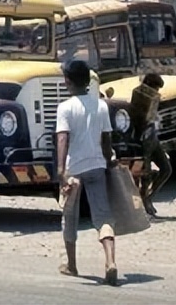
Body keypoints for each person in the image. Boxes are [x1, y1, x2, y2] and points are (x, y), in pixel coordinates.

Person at [56, 60, 118, 285]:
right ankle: (110, 261)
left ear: (68, 81)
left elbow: (63, 138)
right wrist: (109, 159)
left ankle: (72, 266)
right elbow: (107, 140)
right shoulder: (101, 105)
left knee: (69, 217)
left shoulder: (65, 107)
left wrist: (61, 170)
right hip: (96, 166)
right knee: (103, 217)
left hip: (74, 169)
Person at [130, 73, 172, 217]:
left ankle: (148, 197)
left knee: (166, 169)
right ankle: (144, 202)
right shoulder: (138, 93)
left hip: (153, 136)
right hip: (144, 137)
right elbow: (137, 117)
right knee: (145, 173)